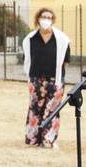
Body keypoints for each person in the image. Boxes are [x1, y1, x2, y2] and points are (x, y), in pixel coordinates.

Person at [23, 8, 70, 148]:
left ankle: (48, 140)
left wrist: (56, 77)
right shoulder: (30, 39)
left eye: (49, 17)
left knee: (52, 110)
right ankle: (33, 139)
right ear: (38, 18)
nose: (46, 19)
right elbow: (27, 59)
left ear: (53, 20)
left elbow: (65, 61)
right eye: (44, 16)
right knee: (35, 109)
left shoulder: (62, 39)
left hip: (55, 80)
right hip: (36, 80)